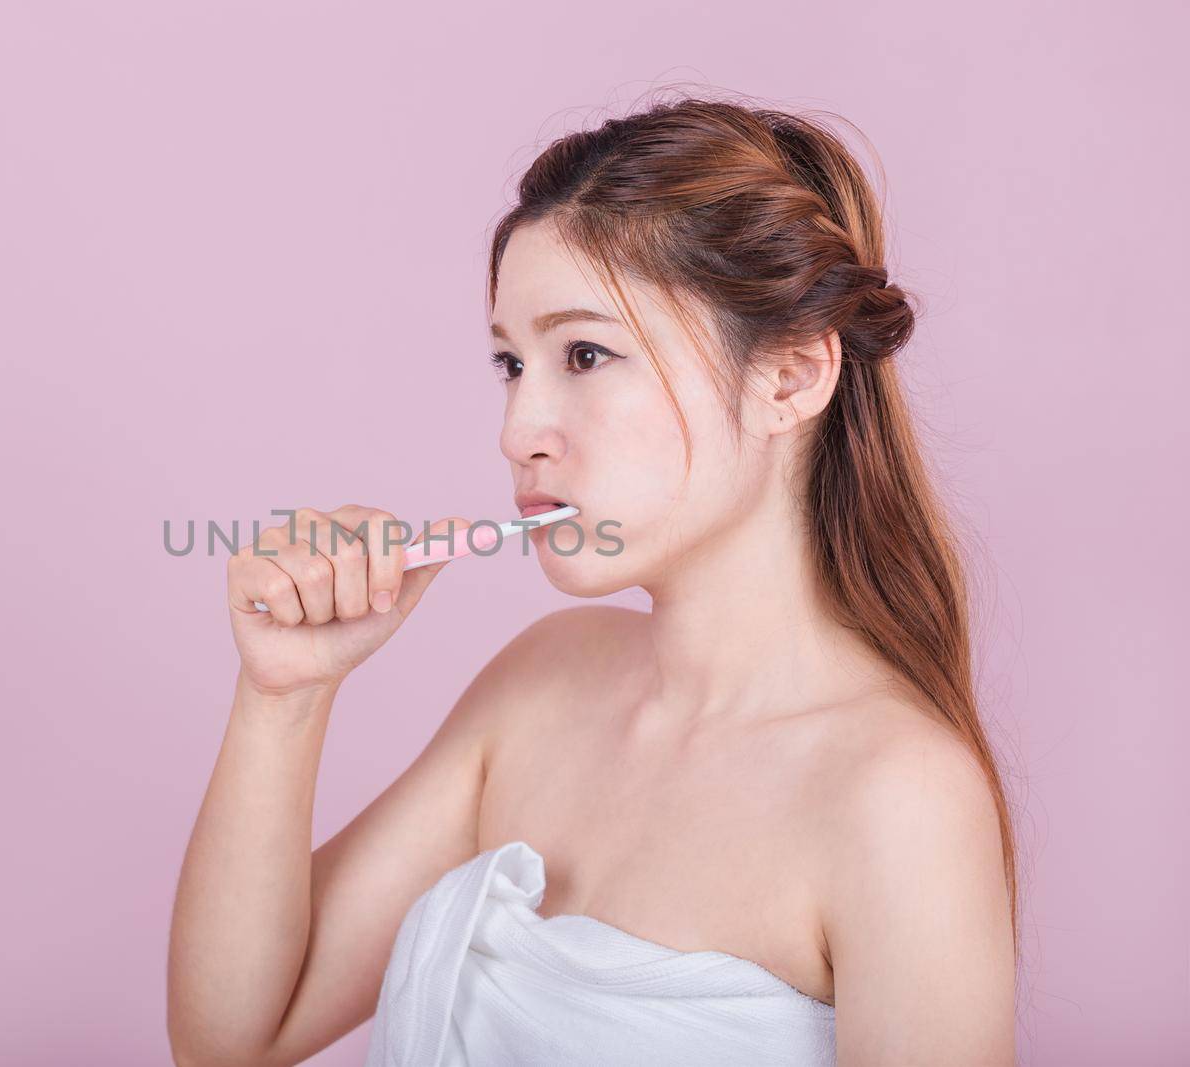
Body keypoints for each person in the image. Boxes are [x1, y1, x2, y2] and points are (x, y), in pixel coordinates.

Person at [167, 93, 1018, 1066]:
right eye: (508, 363)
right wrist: (284, 692)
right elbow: (233, 1034)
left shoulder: (896, 794)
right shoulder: (542, 680)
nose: (518, 428)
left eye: (583, 353)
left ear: (787, 377)